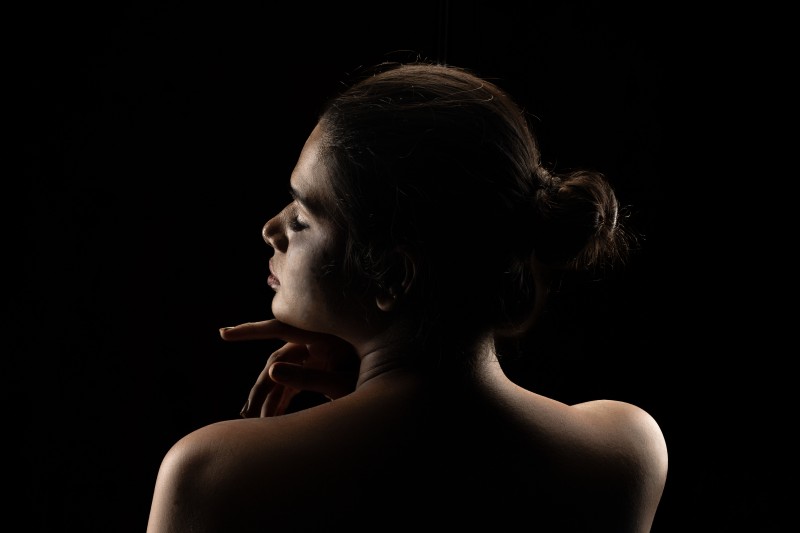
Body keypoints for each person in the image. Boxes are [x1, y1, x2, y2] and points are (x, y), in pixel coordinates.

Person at [146, 60, 668, 532]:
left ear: (393, 276)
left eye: (303, 215)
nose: (271, 229)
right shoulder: (624, 450)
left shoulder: (215, 475)